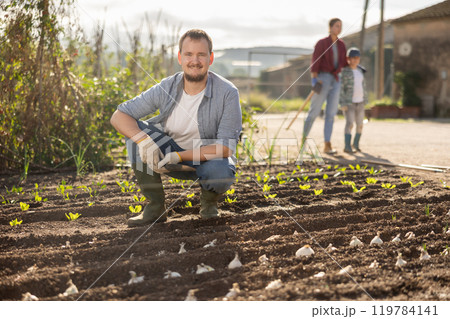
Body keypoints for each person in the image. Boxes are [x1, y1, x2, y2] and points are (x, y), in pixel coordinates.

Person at [110, 29, 242, 227]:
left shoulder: (228, 93)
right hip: (166, 153)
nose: (194, 61)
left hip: (205, 159)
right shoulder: (167, 87)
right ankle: (155, 208)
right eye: (188, 54)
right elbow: (119, 116)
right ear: (180, 58)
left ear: (211, 58)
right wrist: (145, 142)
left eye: (201, 55)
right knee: (134, 135)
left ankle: (208, 205)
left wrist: (180, 157)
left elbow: (225, 148)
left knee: (220, 169)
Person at [302, 18, 348, 154]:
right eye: (336, 26)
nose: (339, 28)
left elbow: (343, 62)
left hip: (335, 79)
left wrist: (353, 64)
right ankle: (303, 143)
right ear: (330, 27)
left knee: (331, 113)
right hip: (322, 79)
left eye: (340, 26)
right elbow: (315, 61)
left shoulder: (341, 45)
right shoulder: (322, 43)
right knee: (314, 112)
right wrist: (314, 79)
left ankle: (327, 144)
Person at [339, 47, 367, 153]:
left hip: (360, 102)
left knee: (360, 124)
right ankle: (347, 146)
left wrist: (365, 100)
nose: (355, 60)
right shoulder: (345, 72)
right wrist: (342, 102)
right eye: (353, 58)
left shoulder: (360, 71)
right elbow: (341, 88)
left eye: (357, 58)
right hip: (349, 102)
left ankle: (356, 144)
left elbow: (363, 86)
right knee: (350, 123)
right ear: (348, 59)